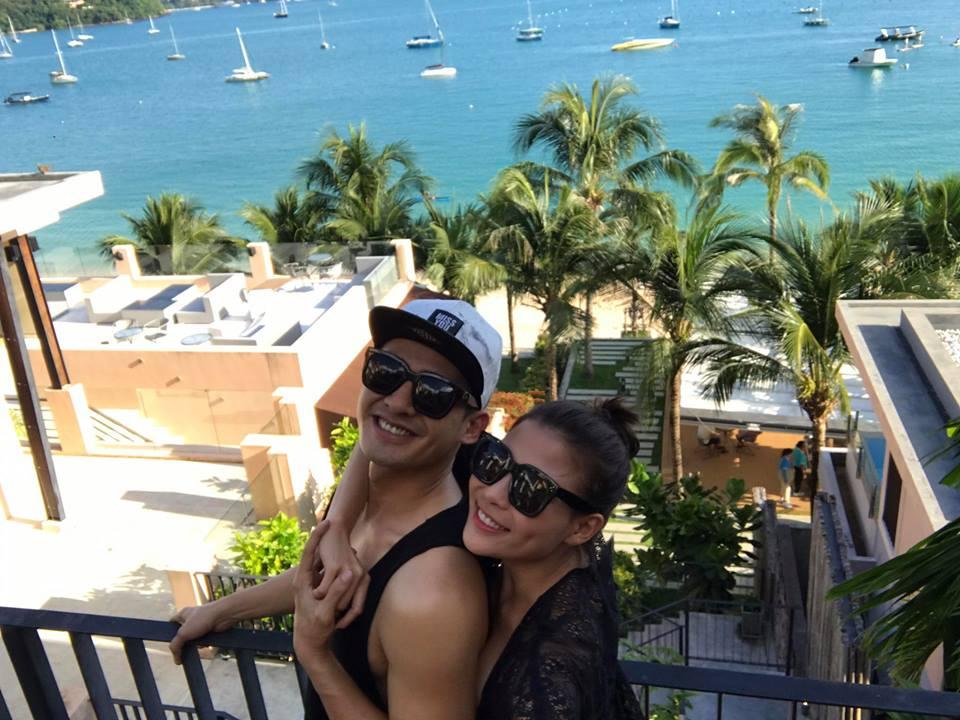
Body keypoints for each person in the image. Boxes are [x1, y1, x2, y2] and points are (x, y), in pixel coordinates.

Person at [171, 298, 503, 720]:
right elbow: (327, 579)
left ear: (471, 427)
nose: (398, 401)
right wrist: (220, 611)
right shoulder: (384, 488)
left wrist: (314, 655)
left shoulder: (433, 594)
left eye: (433, 394)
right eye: (386, 371)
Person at [296, 398, 646, 719]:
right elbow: (378, 436)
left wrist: (317, 658)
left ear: (583, 528)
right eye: (497, 460)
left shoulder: (547, 683)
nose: (493, 492)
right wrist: (338, 524)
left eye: (530, 489)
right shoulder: (486, 489)